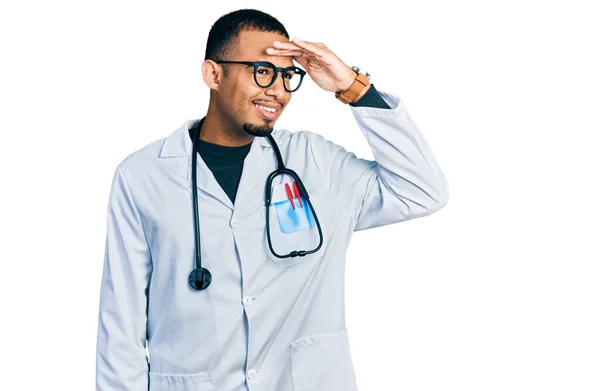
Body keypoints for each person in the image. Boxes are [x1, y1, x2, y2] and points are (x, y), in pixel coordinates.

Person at [95, 8, 449, 391]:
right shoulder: (143, 175)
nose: (278, 90)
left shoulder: (316, 163)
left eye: (288, 75)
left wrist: (352, 87)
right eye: (262, 71)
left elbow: (423, 190)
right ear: (213, 74)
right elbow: (122, 324)